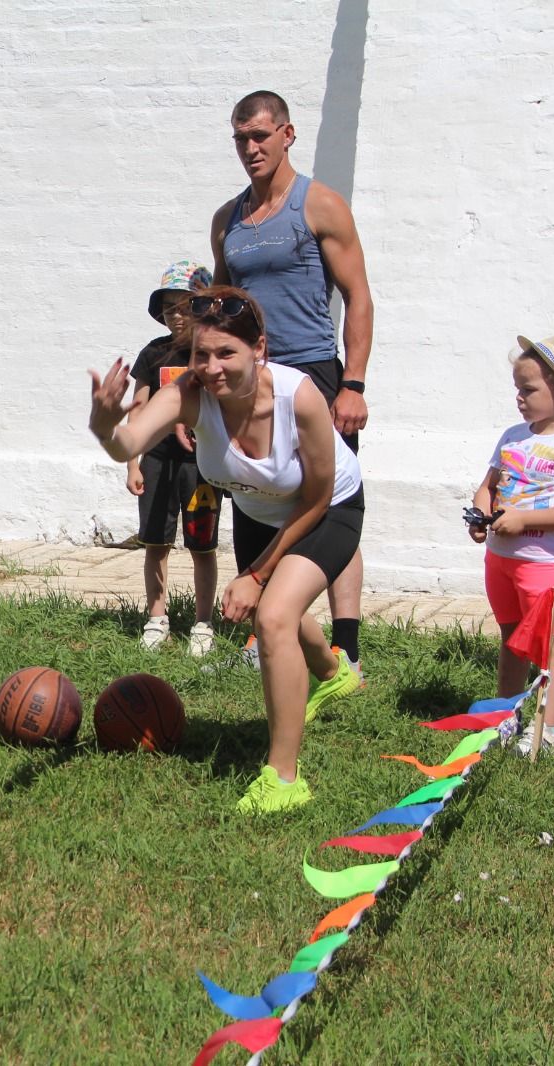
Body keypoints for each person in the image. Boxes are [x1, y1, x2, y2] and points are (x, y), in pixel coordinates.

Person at [89, 286, 364, 814]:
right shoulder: (191, 392)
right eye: (201, 354)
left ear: (259, 347)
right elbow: (128, 444)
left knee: (274, 615)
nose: (211, 367)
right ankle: (333, 672)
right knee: (273, 605)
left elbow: (318, 494)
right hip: (261, 513)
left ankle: (284, 780)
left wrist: (258, 574)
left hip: (327, 509)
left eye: (226, 354)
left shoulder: (297, 396)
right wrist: (105, 423)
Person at [209, 90, 375, 675]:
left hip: (314, 374)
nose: (250, 148)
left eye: (259, 135)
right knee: (256, 497)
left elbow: (358, 296)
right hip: (252, 383)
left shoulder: (319, 205)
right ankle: (264, 634)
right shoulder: (226, 220)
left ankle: (346, 642)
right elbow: (223, 309)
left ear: (287, 134)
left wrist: (351, 384)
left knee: (331, 502)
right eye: (240, 138)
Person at [468, 333, 554, 756]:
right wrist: (480, 516)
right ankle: (507, 716)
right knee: (510, 638)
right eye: (517, 390)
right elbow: (488, 487)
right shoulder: (512, 436)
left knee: (550, 649)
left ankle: (547, 728)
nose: (519, 399)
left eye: (529, 390)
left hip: (540, 565)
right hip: (500, 561)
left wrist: (524, 520)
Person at [127, 261, 222, 656]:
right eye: (170, 308)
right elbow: (138, 406)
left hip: (202, 466)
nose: (177, 315)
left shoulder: (212, 353)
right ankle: (157, 617)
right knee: (156, 543)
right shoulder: (153, 353)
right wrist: (133, 461)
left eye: (186, 306)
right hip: (157, 461)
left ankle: (203, 622)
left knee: (203, 546)